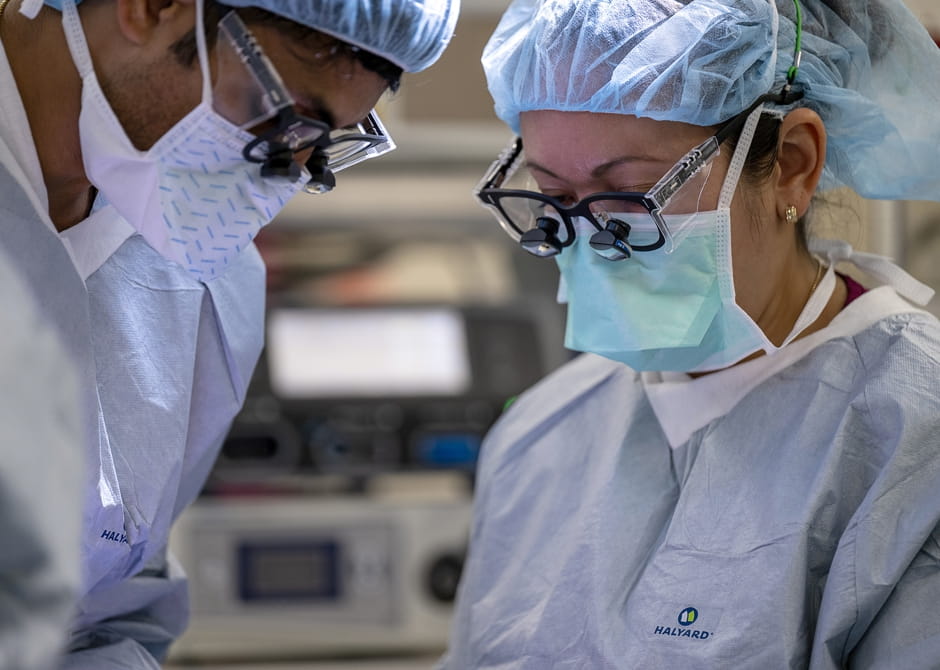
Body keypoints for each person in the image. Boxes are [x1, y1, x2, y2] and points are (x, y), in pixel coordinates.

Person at [442, 0, 940, 667]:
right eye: (554, 197)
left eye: (632, 197)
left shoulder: (913, 443)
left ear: (792, 163)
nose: (591, 239)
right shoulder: (538, 436)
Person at [0, 0, 458, 666]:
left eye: (320, 146)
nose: (288, 171)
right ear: (152, 8)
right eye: (283, 118)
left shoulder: (204, 277)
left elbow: (99, 614)